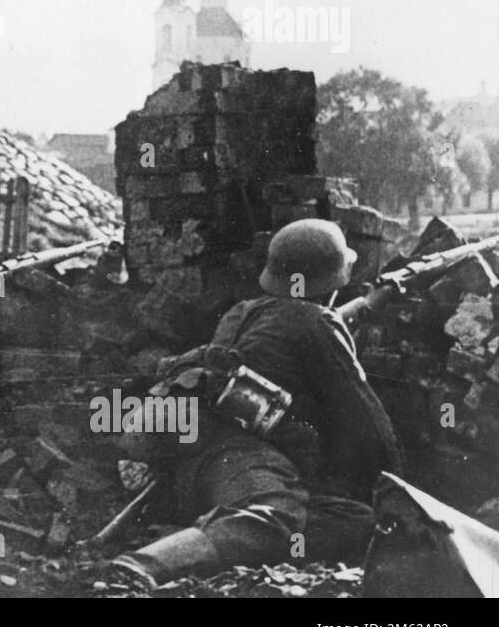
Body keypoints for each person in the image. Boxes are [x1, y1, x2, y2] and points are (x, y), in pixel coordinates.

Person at [110, 219, 404, 587]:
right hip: (239, 459)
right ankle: (143, 566)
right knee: (274, 515)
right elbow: (368, 424)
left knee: (359, 523)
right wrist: (401, 487)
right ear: (335, 276)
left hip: (198, 463)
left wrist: (357, 312)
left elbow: (288, 331)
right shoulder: (315, 324)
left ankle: (215, 538)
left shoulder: (245, 312)